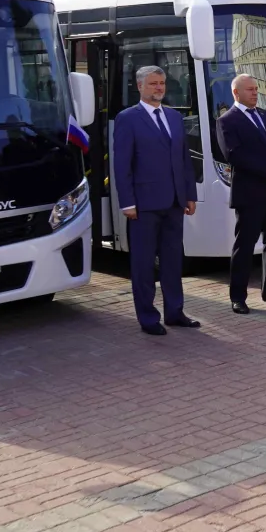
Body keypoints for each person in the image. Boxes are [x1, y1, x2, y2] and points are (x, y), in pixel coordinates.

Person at [114, 65, 199, 335]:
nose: (159, 88)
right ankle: (148, 318)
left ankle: (175, 312)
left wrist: (190, 194)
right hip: (143, 205)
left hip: (174, 202)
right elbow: (122, 164)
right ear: (140, 86)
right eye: (153, 83)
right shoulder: (127, 118)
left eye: (162, 83)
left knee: (173, 261)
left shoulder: (174, 117)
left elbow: (184, 159)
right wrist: (127, 202)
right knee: (143, 264)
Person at [216, 73, 266, 314]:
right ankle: (238, 297)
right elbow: (234, 155)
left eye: (256, 89)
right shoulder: (227, 121)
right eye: (249, 89)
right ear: (236, 93)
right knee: (245, 245)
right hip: (250, 193)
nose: (255, 93)